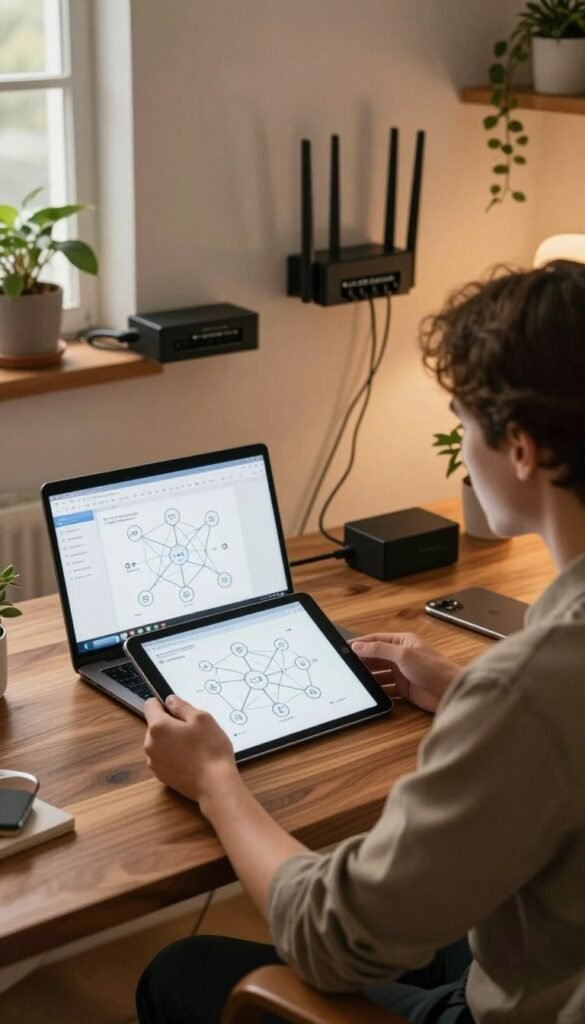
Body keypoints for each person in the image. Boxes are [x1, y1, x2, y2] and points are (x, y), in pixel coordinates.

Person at [135, 262, 585, 1024]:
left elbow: (327, 938)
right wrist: (456, 693)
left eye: (463, 424)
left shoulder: (531, 682)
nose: (460, 447)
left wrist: (215, 781)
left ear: (519, 449)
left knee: (180, 971)